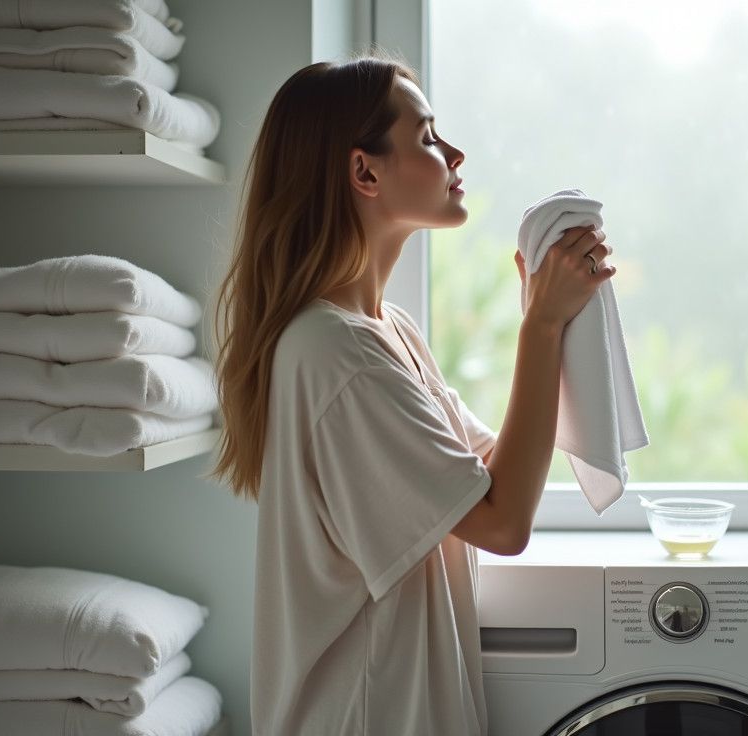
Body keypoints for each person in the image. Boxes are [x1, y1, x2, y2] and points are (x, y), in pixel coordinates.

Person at [212, 56, 614, 735]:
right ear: (365, 172)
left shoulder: (385, 333)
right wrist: (542, 323)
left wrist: (548, 311)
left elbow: (494, 474)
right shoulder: (339, 354)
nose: (455, 153)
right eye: (428, 137)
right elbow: (503, 521)